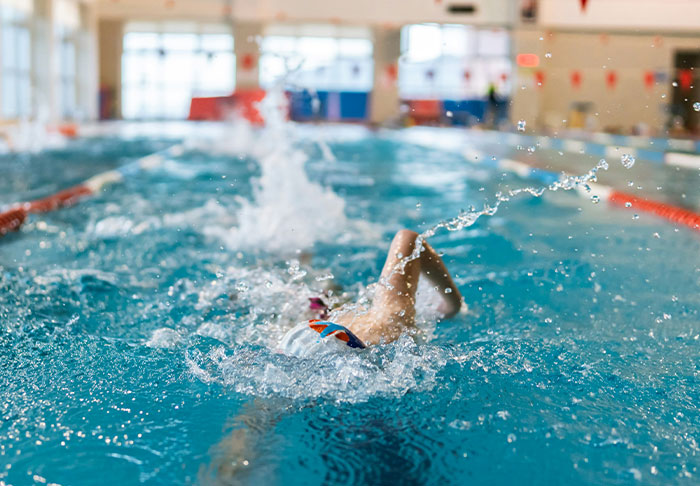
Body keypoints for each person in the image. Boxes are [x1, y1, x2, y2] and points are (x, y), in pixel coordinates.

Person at [278, 229, 463, 356]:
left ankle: (302, 260)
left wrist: (452, 306)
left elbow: (410, 240)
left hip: (326, 310)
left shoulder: (387, 327)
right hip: (314, 321)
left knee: (323, 293)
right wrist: (451, 306)